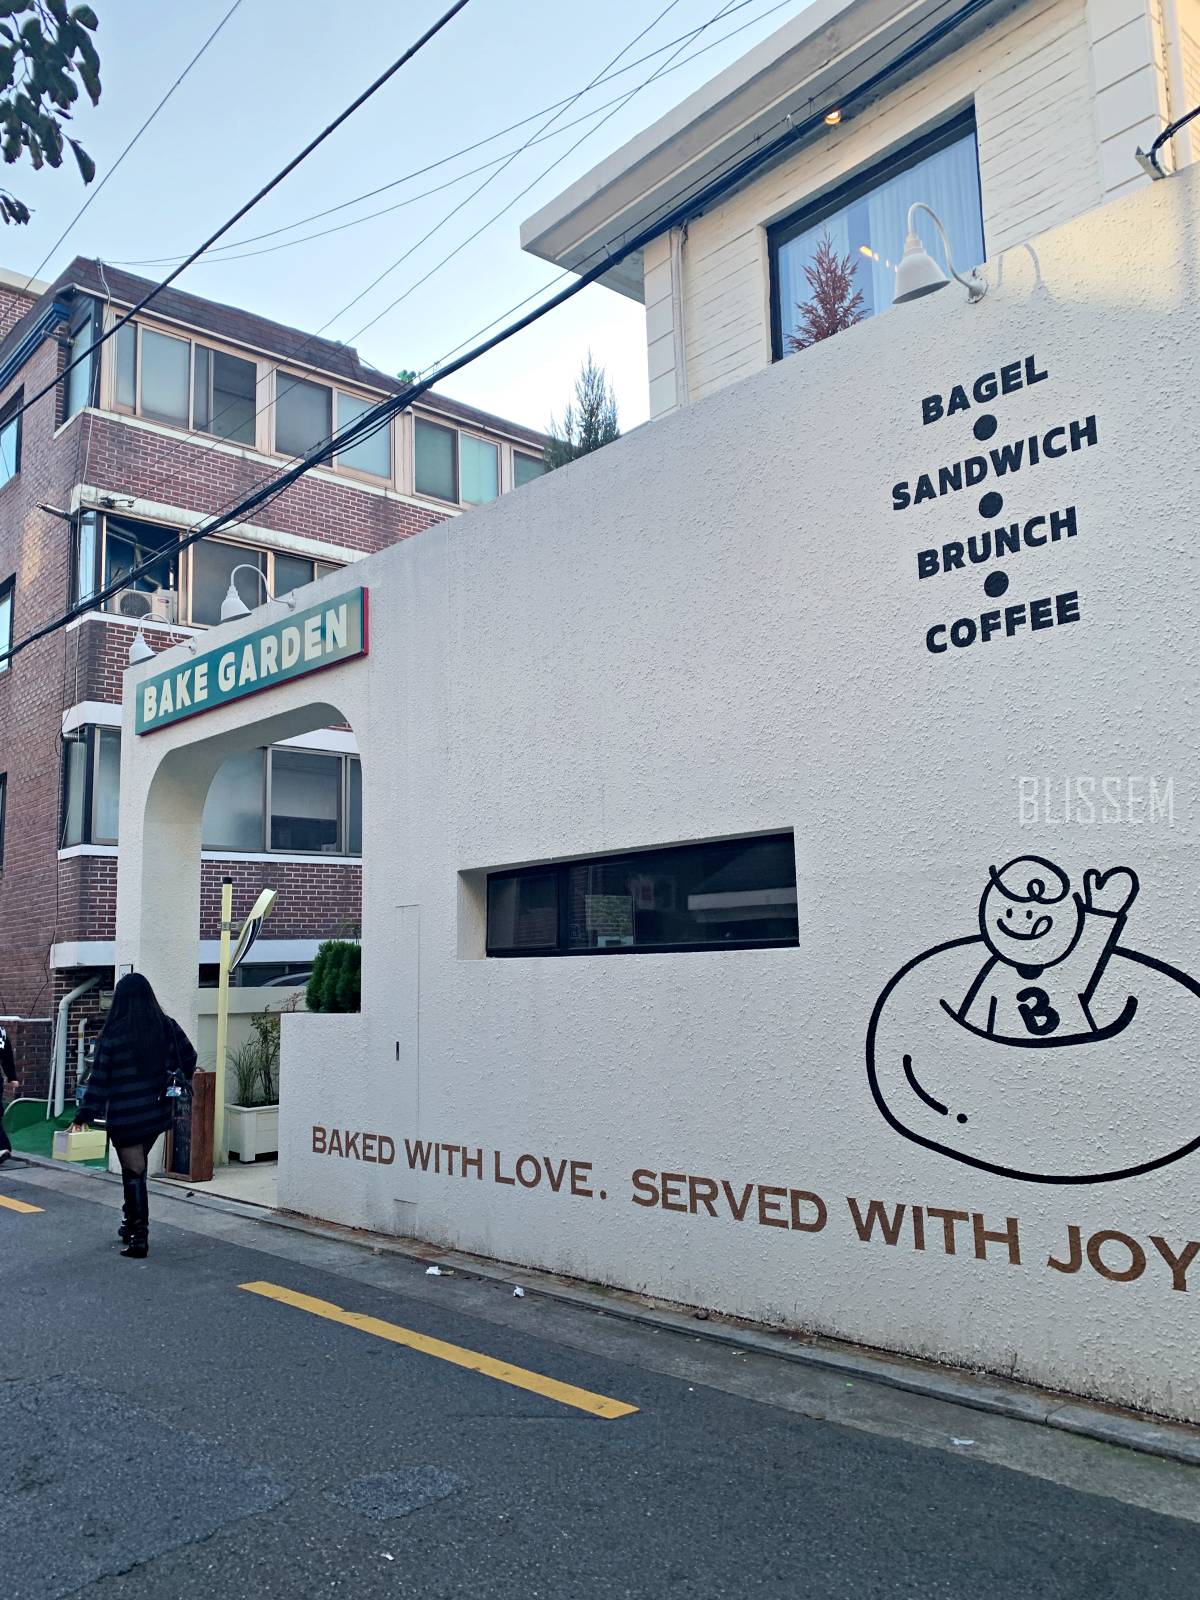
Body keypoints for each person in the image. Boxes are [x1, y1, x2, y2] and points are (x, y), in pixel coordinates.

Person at [68, 974, 196, 1258]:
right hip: (157, 1112)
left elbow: (99, 1079)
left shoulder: (112, 1034)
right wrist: (172, 1077)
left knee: (134, 1173)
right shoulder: (167, 1027)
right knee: (136, 1168)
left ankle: (139, 1237)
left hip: (126, 1117)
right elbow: (190, 1057)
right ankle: (129, 1224)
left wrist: (83, 1114)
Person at [956, 855, 1139, 1041]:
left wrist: (1102, 913)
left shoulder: (1066, 967)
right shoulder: (996, 972)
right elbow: (978, 1010)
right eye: (1009, 912)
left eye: (1030, 913)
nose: (1022, 920)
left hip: (1072, 1039)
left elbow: (1090, 955)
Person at [0, 1024, 18, 1166]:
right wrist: (12, 1077)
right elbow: (7, 1055)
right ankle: (3, 1147)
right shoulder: (1, 1031)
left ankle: (2, 1147)